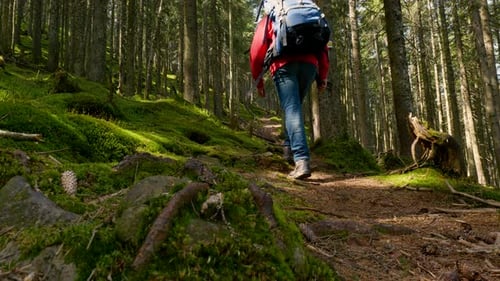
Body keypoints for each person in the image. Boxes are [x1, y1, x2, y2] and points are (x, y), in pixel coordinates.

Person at [249, 11, 329, 180]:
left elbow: (257, 50)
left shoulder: (273, 13)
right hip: (309, 66)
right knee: (294, 107)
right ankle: (288, 149)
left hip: (283, 65)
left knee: (292, 109)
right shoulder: (311, 14)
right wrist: (322, 77)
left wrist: (258, 80)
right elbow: (323, 48)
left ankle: (301, 160)